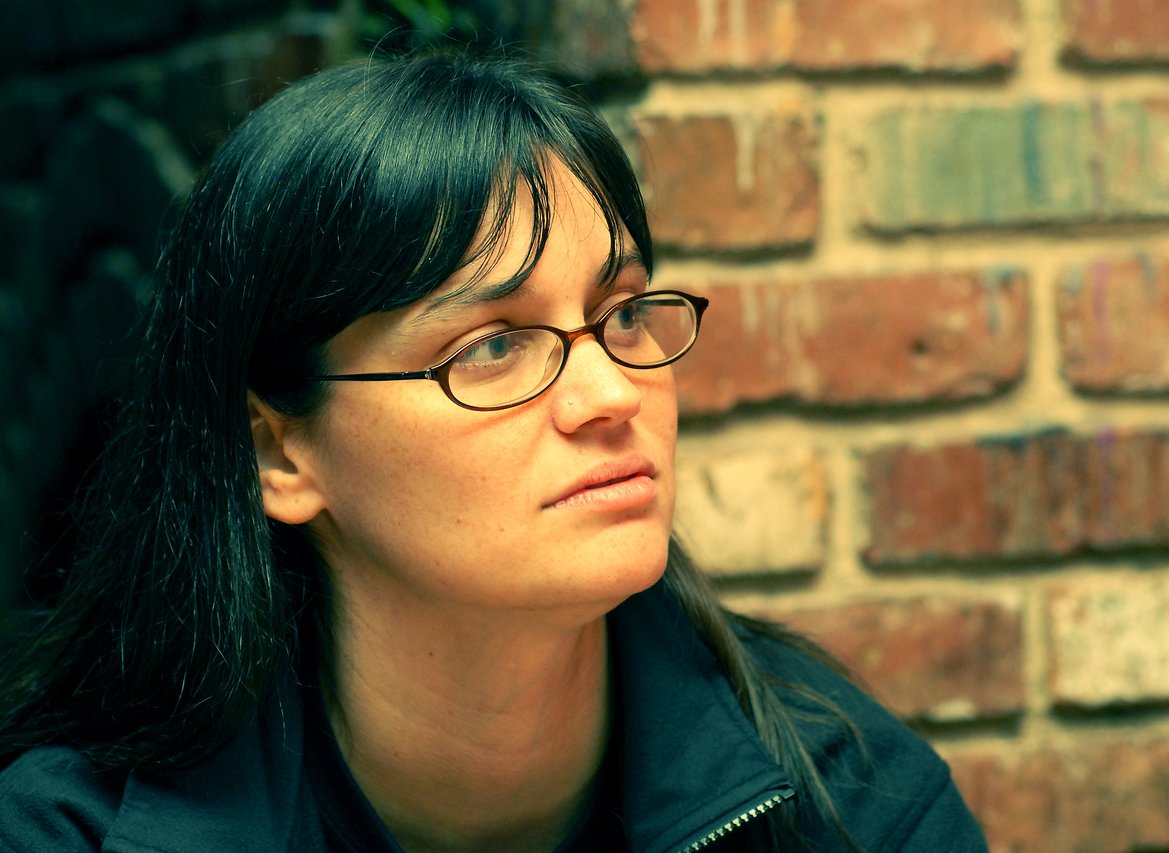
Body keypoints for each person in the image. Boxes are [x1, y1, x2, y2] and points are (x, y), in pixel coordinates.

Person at [0, 51, 987, 852]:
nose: (609, 394)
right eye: (492, 347)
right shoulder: (74, 831)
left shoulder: (852, 805)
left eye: (621, 313)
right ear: (278, 454)